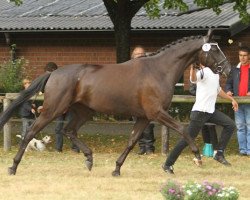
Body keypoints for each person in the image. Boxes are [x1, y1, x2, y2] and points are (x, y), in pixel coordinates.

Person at [163, 63, 238, 174]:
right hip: (199, 113)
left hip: (210, 112)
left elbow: (218, 91)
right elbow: (193, 79)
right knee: (186, 140)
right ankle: (167, 164)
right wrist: (192, 68)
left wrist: (231, 99)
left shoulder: (216, 74)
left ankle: (219, 153)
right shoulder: (204, 71)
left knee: (230, 125)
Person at [39, 62, 80, 153]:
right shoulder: (50, 80)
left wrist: (66, 106)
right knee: (58, 128)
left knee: (71, 128)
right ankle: (58, 148)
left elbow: (70, 94)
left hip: (69, 107)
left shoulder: (65, 79)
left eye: (49, 73)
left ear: (54, 71)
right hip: (58, 108)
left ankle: (75, 148)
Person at [225, 46, 250, 156]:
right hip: (237, 103)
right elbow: (228, 83)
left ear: (249, 56)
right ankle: (243, 150)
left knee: (249, 126)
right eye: (240, 55)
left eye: (245, 55)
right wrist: (229, 91)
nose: (242, 58)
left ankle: (249, 150)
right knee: (240, 127)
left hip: (249, 103)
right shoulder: (234, 69)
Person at [131, 46, 155, 155]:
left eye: (142, 55)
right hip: (134, 101)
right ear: (133, 57)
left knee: (147, 125)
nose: (140, 57)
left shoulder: (149, 69)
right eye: (137, 55)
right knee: (137, 124)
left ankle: (149, 147)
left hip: (146, 101)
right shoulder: (129, 69)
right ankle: (141, 147)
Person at [189, 82, 218, 153]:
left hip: (210, 106)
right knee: (203, 127)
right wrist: (202, 94)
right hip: (200, 107)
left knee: (211, 126)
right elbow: (191, 90)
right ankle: (207, 149)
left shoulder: (212, 76)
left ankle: (215, 149)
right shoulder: (197, 77)